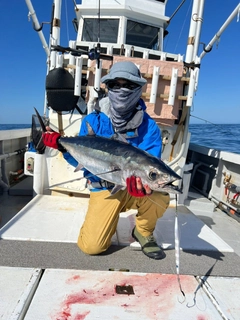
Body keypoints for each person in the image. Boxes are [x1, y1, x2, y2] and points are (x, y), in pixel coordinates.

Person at [42, 61, 170, 260]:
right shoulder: (92, 121)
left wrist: (149, 186)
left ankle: (143, 232)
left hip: (135, 189)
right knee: (92, 247)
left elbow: (150, 167)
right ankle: (101, 220)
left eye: (128, 85)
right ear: (107, 88)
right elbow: (80, 160)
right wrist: (61, 145)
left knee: (161, 196)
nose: (122, 91)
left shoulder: (150, 127)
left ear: (138, 89)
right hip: (103, 187)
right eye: (115, 85)